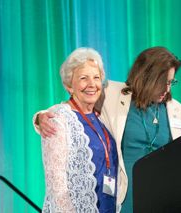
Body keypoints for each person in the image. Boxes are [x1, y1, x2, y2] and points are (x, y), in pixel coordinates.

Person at [34, 46, 181, 212]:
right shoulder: (113, 94)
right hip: (124, 200)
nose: (167, 89)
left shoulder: (178, 111)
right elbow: (72, 108)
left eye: (171, 82)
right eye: (162, 82)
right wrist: (40, 117)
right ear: (146, 76)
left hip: (160, 200)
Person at [38, 47, 119, 212]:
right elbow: (57, 187)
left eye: (96, 78)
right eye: (83, 78)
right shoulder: (58, 119)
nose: (91, 84)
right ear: (69, 85)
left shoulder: (100, 116)